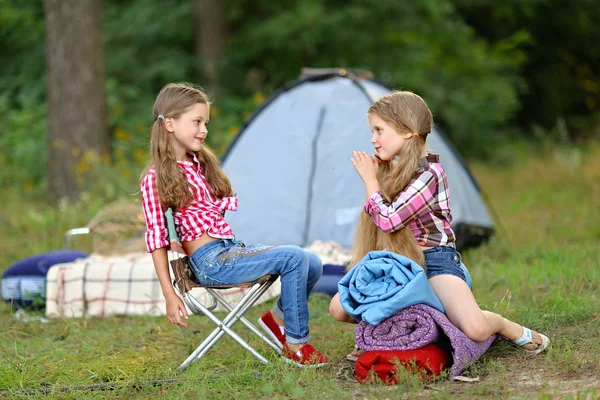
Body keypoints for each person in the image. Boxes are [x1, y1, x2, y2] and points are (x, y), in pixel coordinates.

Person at [329, 90, 549, 358]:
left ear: (407, 130)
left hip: (434, 262)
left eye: (379, 130)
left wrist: (370, 182)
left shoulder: (429, 174)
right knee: (339, 307)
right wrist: (377, 178)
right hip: (397, 264)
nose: (372, 139)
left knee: (476, 328)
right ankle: (410, 325)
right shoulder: (391, 170)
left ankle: (503, 325)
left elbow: (388, 220)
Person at [140, 82, 328, 367]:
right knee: (293, 257)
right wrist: (170, 294)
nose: (204, 130)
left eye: (206, 123)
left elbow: (205, 217)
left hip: (228, 251)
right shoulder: (155, 178)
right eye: (197, 122)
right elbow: (156, 239)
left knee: (312, 261)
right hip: (210, 264)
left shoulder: (198, 165)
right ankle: (296, 344)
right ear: (169, 124)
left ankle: (276, 320)